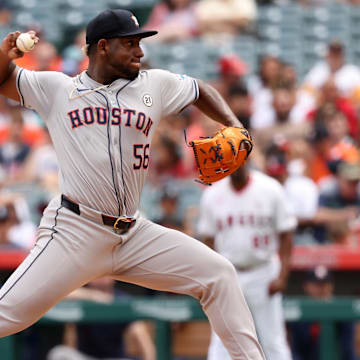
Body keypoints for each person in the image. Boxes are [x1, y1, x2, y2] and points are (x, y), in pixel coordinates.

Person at [0, 9, 264, 360]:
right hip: (75, 231)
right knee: (6, 315)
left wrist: (235, 125)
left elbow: (200, 90)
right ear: (104, 47)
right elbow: (4, 79)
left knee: (219, 275)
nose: (140, 51)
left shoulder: (152, 84)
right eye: (131, 44)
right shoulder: (57, 89)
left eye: (139, 42)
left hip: (133, 234)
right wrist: (5, 55)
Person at [197, 164, 297, 360]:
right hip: (229, 273)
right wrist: (213, 277)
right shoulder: (212, 193)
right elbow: (208, 239)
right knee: (222, 339)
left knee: (272, 340)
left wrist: (282, 275)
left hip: (264, 271)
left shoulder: (269, 188)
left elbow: (286, 234)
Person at [47, 277, 156, 360]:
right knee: (58, 353)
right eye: (97, 275)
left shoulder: (123, 300)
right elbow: (58, 295)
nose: (101, 277)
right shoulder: (81, 296)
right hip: (85, 357)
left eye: (105, 275)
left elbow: (143, 338)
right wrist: (94, 296)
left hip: (113, 357)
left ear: (114, 278)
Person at [289, 266, 356, 360]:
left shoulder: (342, 314)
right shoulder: (299, 317)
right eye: (316, 285)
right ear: (306, 286)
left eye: (325, 284)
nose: (321, 289)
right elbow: (295, 351)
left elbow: (348, 351)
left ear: (331, 286)